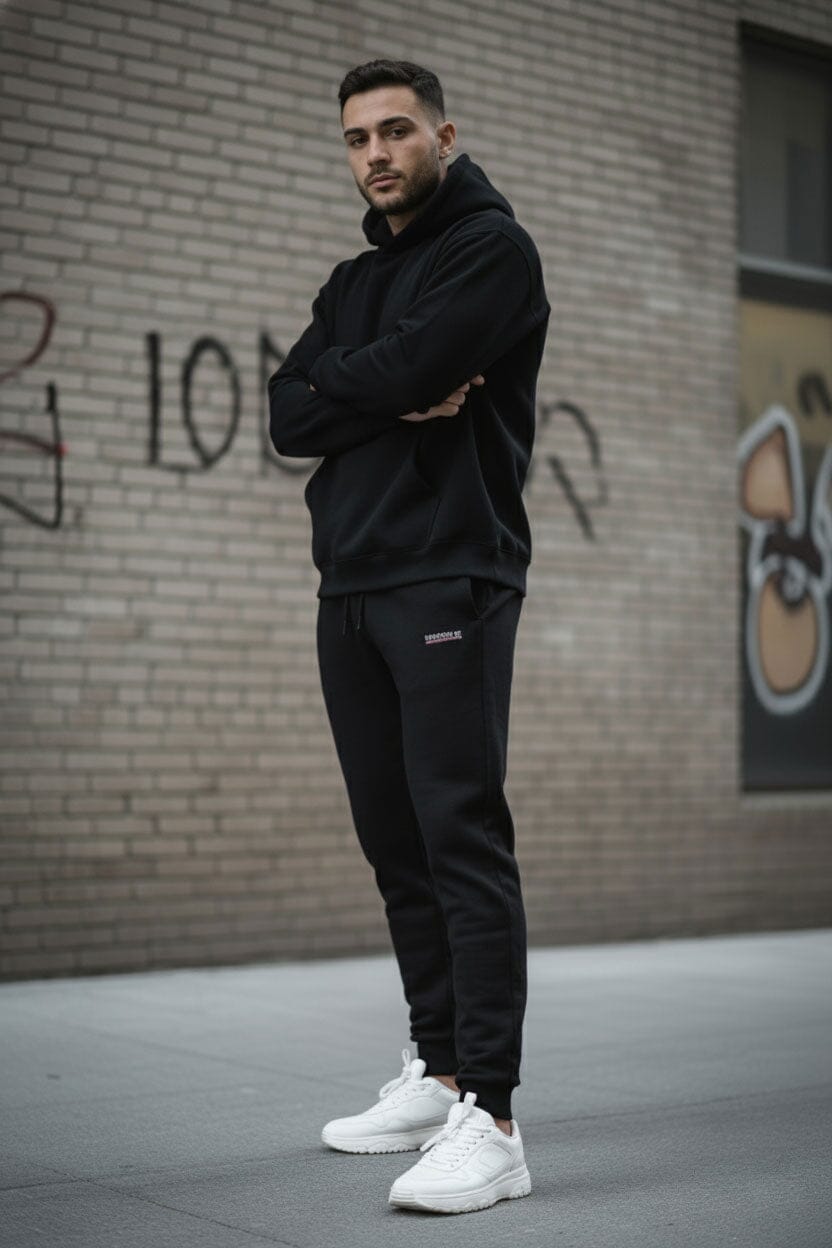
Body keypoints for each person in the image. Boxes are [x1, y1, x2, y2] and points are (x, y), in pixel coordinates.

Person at [268, 57, 550, 1215]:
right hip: (351, 582)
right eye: (356, 139)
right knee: (395, 843)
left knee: (458, 835)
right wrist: (377, 388)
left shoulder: (492, 252)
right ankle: (435, 1075)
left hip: (449, 573)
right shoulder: (353, 279)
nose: (375, 153)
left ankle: (494, 1116)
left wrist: (348, 387)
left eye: (395, 131)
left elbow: (407, 369)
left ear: (444, 134)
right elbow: (286, 411)